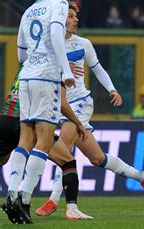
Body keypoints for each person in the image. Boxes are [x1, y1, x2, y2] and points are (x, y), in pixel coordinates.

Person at [36, 2, 144, 217]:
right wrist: (59, 69)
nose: (76, 20)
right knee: (97, 158)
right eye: (71, 16)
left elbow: (98, 69)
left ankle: (56, 201)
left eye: (75, 16)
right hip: (59, 106)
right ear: (58, 20)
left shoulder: (83, 44)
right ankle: (142, 176)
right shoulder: (48, 46)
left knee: (63, 147)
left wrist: (112, 89)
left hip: (80, 102)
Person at [3, 0, 86, 225]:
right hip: (46, 76)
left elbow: (20, 52)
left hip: (26, 76)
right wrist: (63, 69)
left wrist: (32, 65)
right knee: (44, 139)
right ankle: (24, 199)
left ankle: (11, 193)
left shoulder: (28, 11)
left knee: (25, 139)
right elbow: (54, 35)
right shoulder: (60, 5)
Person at [1, 68, 91, 223]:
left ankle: (13, 195)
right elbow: (62, 103)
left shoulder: (26, 64)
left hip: (6, 118)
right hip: (31, 123)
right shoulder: (54, 66)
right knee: (67, 161)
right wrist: (78, 122)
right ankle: (69, 208)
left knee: (2, 160)